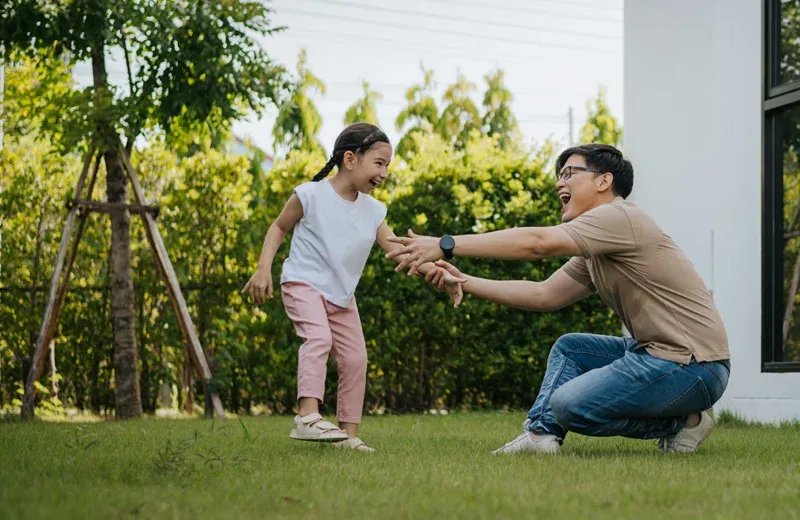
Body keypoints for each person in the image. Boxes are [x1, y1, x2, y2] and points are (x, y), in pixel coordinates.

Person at [386, 143, 731, 454]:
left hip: (694, 367)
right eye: (559, 175)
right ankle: (541, 436)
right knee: (571, 348)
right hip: (659, 356)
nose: (559, 184)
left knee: (569, 405)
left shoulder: (619, 216)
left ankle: (685, 423)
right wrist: (464, 281)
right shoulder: (597, 247)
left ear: (604, 181)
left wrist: (446, 244)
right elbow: (544, 294)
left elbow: (538, 243)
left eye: (569, 173)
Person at [243, 123, 464, 452]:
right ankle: (307, 416)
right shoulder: (310, 194)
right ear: (350, 159)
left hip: (341, 295)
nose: (385, 173)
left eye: (387, 165)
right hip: (303, 282)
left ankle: (348, 436)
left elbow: (398, 251)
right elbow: (278, 228)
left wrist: (437, 272)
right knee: (318, 338)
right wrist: (264, 269)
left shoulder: (373, 211)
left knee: (356, 359)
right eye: (379, 163)